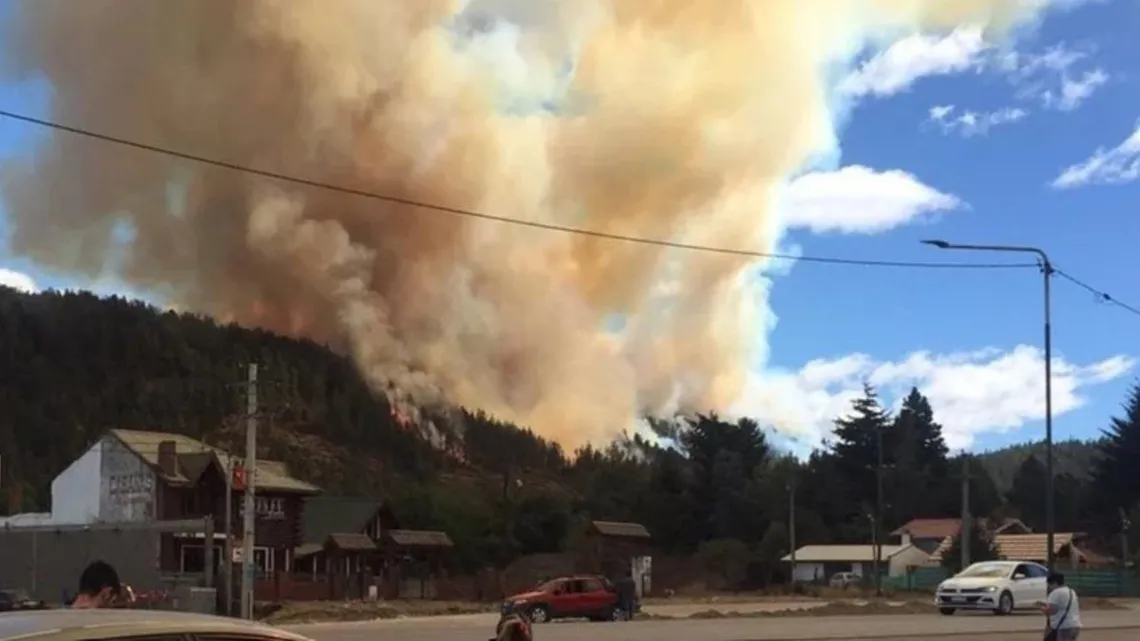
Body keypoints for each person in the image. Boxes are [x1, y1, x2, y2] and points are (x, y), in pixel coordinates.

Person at [1040, 571, 1081, 641]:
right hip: (1075, 625)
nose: (1049, 587)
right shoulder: (1071, 591)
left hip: (1063, 627)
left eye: (1049, 584)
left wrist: (1042, 608)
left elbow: (1052, 610)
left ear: (1055, 583)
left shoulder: (1056, 592)